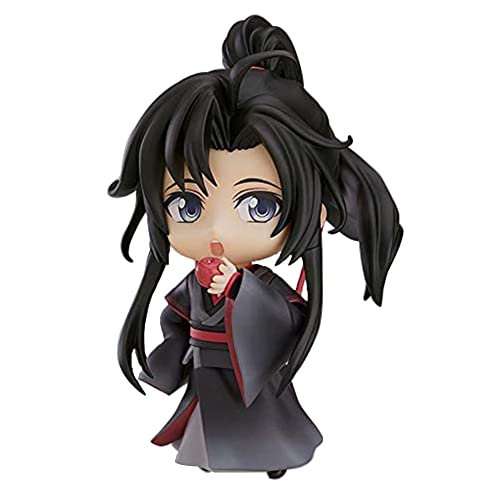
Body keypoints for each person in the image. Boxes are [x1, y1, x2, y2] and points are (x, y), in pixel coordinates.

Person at [108, 14, 403, 478]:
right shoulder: (197, 280)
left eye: (259, 206)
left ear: (316, 209)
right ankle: (212, 455)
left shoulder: (259, 285)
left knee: (262, 422)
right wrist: (172, 353)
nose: (217, 230)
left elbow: (288, 319)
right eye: (186, 205)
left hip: (249, 373)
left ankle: (272, 457)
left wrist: (239, 290)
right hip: (206, 369)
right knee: (207, 424)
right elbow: (176, 317)